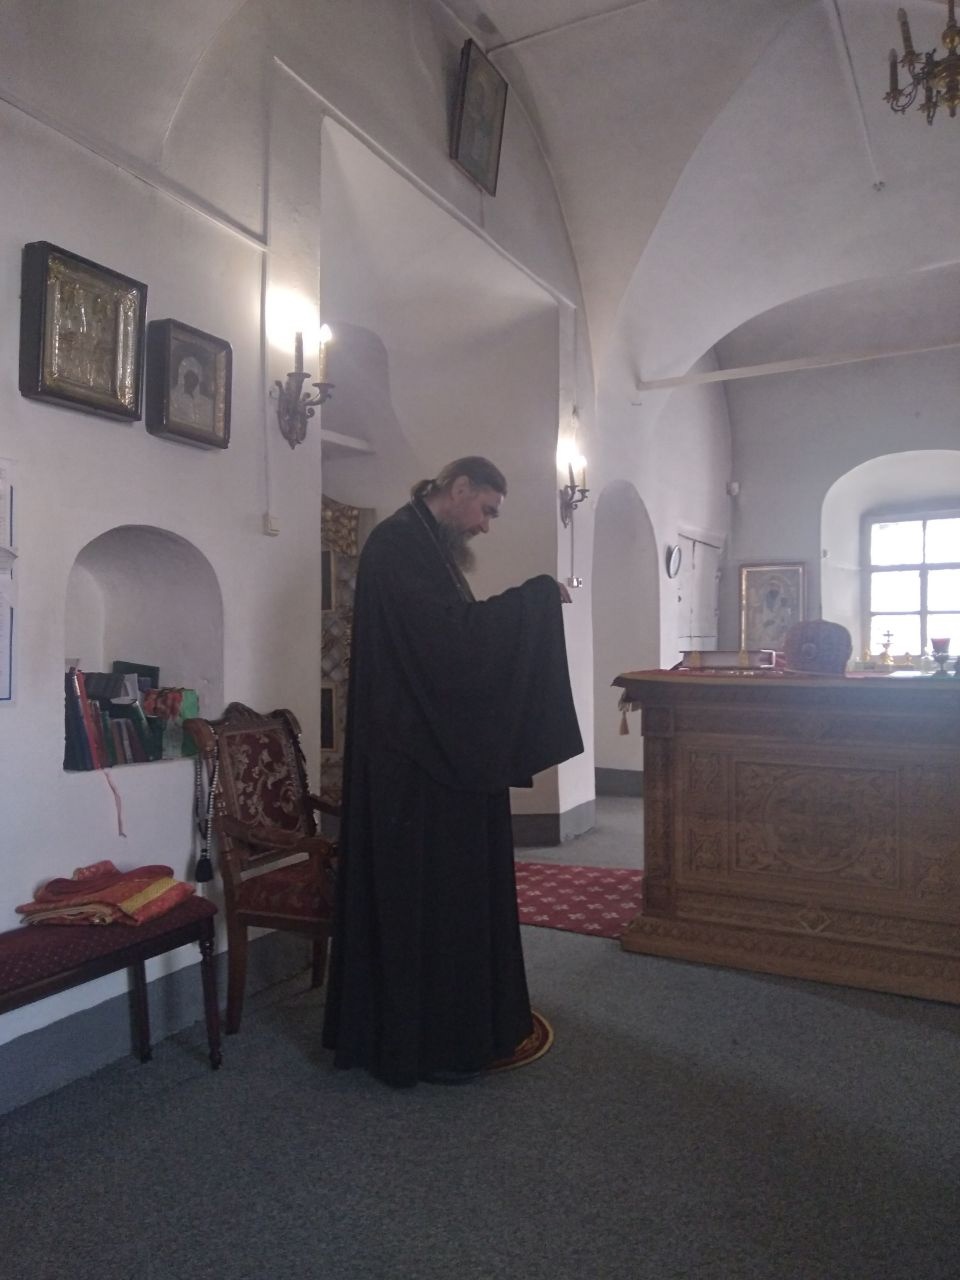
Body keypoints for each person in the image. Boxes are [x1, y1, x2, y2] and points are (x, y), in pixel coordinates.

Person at [322, 457, 583, 1086]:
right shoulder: (398, 546)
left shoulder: (419, 543)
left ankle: (461, 1021)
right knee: (427, 900)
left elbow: (451, 642)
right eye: (486, 510)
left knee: (450, 897)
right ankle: (429, 1040)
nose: (486, 526)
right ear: (459, 487)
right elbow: (452, 644)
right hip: (413, 767)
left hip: (431, 753)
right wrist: (535, 598)